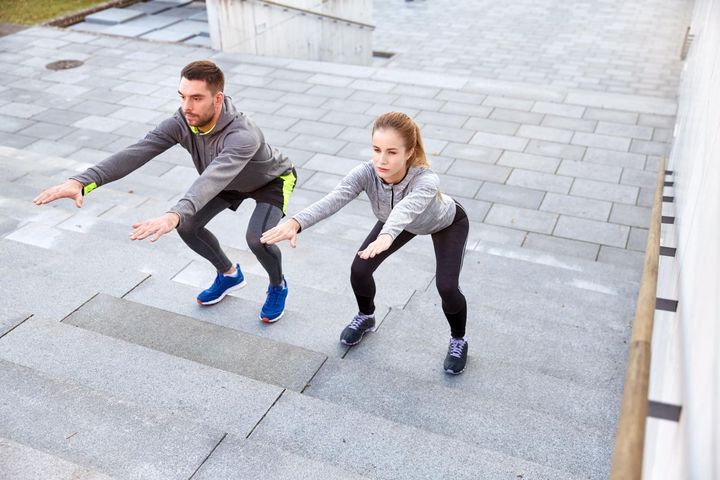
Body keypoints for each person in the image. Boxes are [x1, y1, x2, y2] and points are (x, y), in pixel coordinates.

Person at [33, 60, 296, 323]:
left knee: (258, 239)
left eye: (196, 98)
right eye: (182, 97)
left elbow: (213, 177)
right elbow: (138, 152)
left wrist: (173, 214)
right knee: (188, 226)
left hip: (269, 180)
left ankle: (277, 285)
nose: (186, 107)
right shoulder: (182, 121)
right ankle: (229, 274)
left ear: (217, 99)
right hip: (226, 181)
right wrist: (82, 181)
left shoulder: (243, 134)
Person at [260, 112, 470, 374]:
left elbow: (405, 210)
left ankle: (458, 339)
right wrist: (296, 222)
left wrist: (386, 236)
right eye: (377, 149)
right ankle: (366, 316)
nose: (382, 159)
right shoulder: (366, 173)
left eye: (392, 152)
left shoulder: (426, 180)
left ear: (409, 152)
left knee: (447, 287)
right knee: (359, 270)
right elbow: (335, 198)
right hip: (393, 224)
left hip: (444, 222)